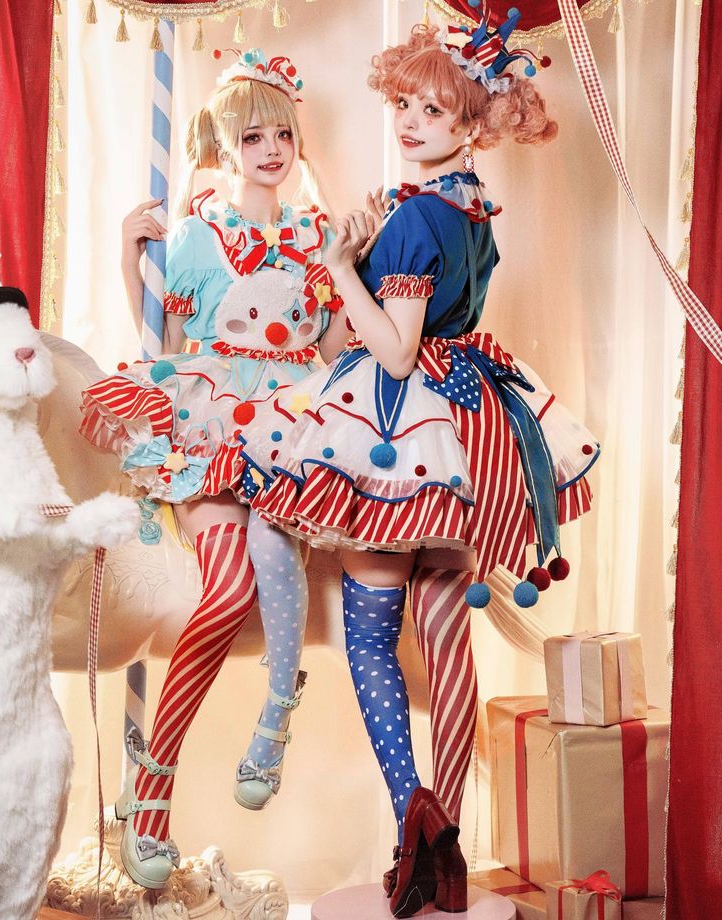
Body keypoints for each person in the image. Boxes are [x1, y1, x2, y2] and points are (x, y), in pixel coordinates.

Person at [234, 16, 598, 918]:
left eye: (432, 110)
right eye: (403, 103)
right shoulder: (471, 205)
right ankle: (452, 842)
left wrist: (337, 261)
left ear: (472, 123)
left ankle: (413, 824)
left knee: (369, 634)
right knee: (446, 634)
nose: (408, 121)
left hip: (396, 423)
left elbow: (394, 352)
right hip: (464, 423)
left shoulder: (417, 218)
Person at [79, 48, 345, 890]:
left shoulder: (314, 237)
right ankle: (151, 785)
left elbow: (335, 346)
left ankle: (276, 713)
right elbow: (163, 337)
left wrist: (352, 281)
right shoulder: (197, 233)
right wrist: (131, 255)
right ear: (225, 148)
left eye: (283, 133)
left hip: (293, 420)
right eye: (253, 135)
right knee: (228, 591)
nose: (271, 148)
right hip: (213, 413)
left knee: (276, 559)